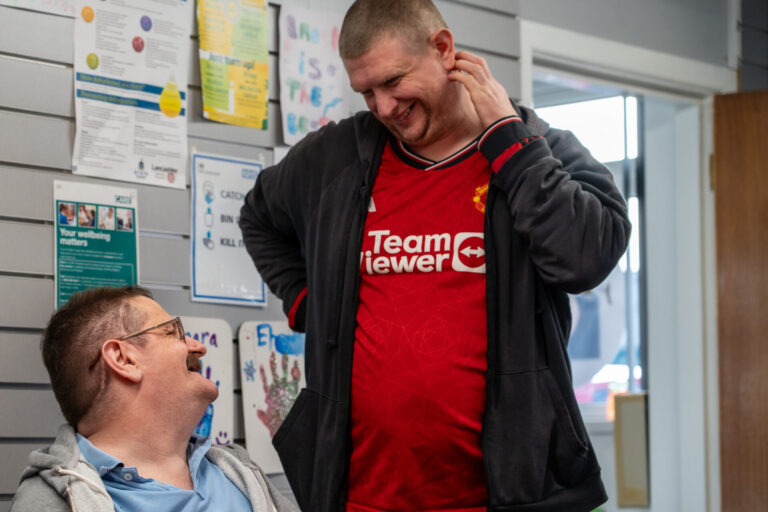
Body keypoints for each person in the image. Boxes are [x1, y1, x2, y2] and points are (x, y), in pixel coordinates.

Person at [239, 1, 631, 510]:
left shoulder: (539, 148)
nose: (383, 107)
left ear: (443, 49)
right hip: (361, 497)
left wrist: (510, 143)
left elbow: (586, 258)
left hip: (504, 496)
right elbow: (259, 218)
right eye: (366, 92)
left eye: (393, 81)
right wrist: (309, 305)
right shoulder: (336, 157)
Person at [11, 286, 297, 512]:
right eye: (174, 332)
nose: (198, 347)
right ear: (124, 359)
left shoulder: (240, 472)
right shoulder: (50, 501)